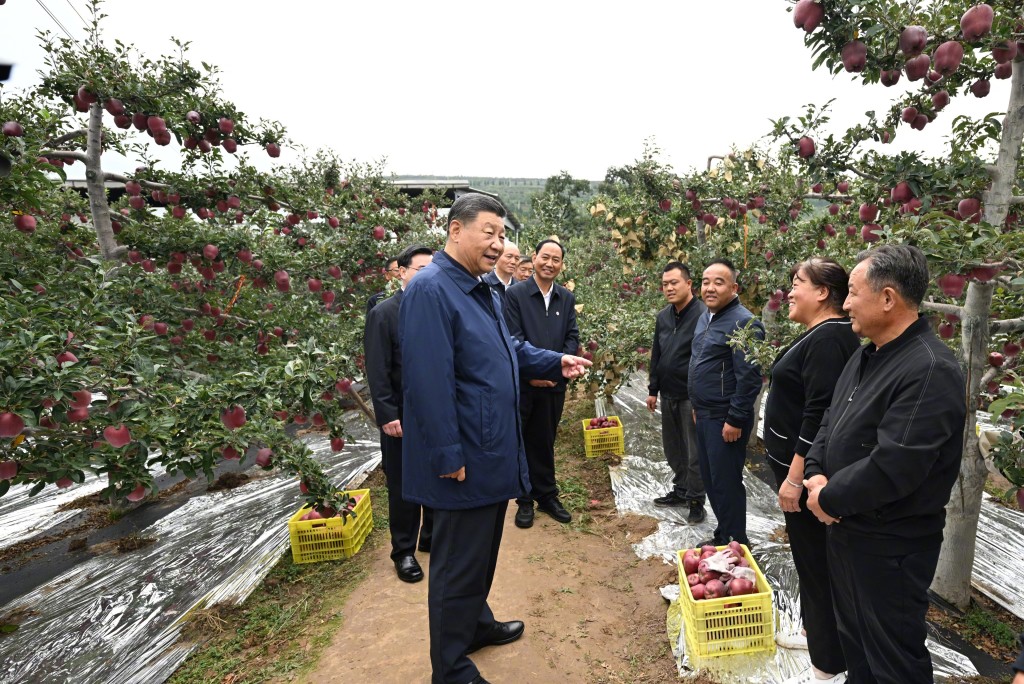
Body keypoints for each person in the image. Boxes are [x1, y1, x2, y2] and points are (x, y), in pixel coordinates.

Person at [400, 193, 592, 684]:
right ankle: (450, 668)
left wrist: (555, 361)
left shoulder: (481, 287)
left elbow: (507, 349)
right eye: (489, 232)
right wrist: (447, 453)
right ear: (455, 230)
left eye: (503, 234)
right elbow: (427, 381)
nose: (498, 243)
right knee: (456, 565)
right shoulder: (431, 290)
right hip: (463, 453)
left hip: (488, 450)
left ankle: (476, 625)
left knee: (481, 553)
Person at [803, 244, 966, 684]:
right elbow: (830, 420)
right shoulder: (866, 354)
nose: (847, 302)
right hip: (848, 534)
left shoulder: (929, 370)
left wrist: (829, 496)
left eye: (853, 292)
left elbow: (896, 464)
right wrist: (816, 469)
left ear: (888, 298)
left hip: (889, 546)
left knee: (892, 657)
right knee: (857, 646)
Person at [763, 258, 860, 684]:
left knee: (817, 565)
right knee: (812, 562)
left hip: (804, 477)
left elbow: (818, 414)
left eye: (797, 282)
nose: (789, 290)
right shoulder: (824, 335)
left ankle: (826, 666)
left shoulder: (827, 339)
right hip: (801, 472)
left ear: (823, 293)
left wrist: (794, 477)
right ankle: (818, 636)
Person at [364, 243, 435, 583]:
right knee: (403, 485)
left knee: (439, 472)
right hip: (401, 416)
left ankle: (430, 535)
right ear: (402, 272)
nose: (428, 275)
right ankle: (403, 550)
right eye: (421, 269)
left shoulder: (436, 308)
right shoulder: (385, 313)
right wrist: (387, 414)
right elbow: (377, 371)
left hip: (434, 413)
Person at [687, 258, 764, 547]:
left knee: (726, 482)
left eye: (718, 282)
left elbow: (750, 378)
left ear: (734, 287)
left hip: (725, 417)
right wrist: (697, 405)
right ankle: (723, 534)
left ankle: (735, 542)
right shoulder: (705, 317)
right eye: (706, 282)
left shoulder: (745, 323)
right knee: (711, 480)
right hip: (705, 413)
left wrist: (735, 417)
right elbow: (699, 362)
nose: (710, 287)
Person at [504, 239, 579, 528]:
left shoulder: (565, 298)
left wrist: (560, 368)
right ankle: (524, 500)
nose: (549, 264)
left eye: (556, 260)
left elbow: (572, 336)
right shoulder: (516, 295)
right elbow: (513, 339)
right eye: (545, 257)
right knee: (522, 441)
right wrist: (532, 371)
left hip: (554, 384)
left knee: (545, 440)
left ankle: (546, 495)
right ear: (534, 258)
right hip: (525, 383)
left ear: (561, 265)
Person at [646, 261, 708, 524]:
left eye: (674, 283)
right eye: (665, 284)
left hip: (690, 396)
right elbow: (656, 354)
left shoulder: (703, 315)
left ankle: (696, 499)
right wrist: (653, 388)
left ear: (689, 284)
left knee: (694, 452)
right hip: (669, 393)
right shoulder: (663, 317)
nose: (669, 288)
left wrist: (700, 398)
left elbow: (705, 359)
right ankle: (681, 490)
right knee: (673, 449)